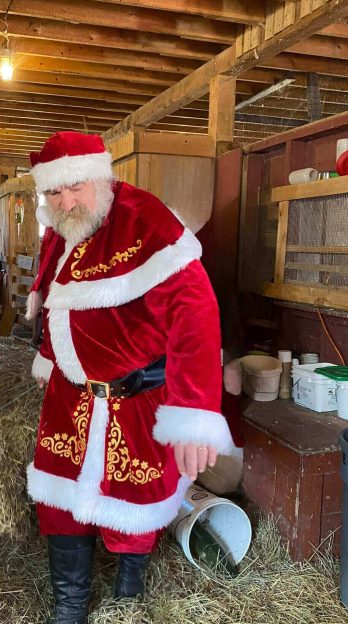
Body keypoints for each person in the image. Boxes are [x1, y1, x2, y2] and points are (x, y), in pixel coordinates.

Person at [25, 131, 233, 624]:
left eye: (76, 186)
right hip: (69, 398)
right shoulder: (63, 228)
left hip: (134, 398)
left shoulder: (147, 220)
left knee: (135, 497)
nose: (66, 199)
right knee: (60, 501)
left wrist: (195, 413)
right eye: (55, 191)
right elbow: (59, 305)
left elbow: (195, 311)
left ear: (100, 175)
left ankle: (128, 585)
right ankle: (70, 604)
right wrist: (50, 357)